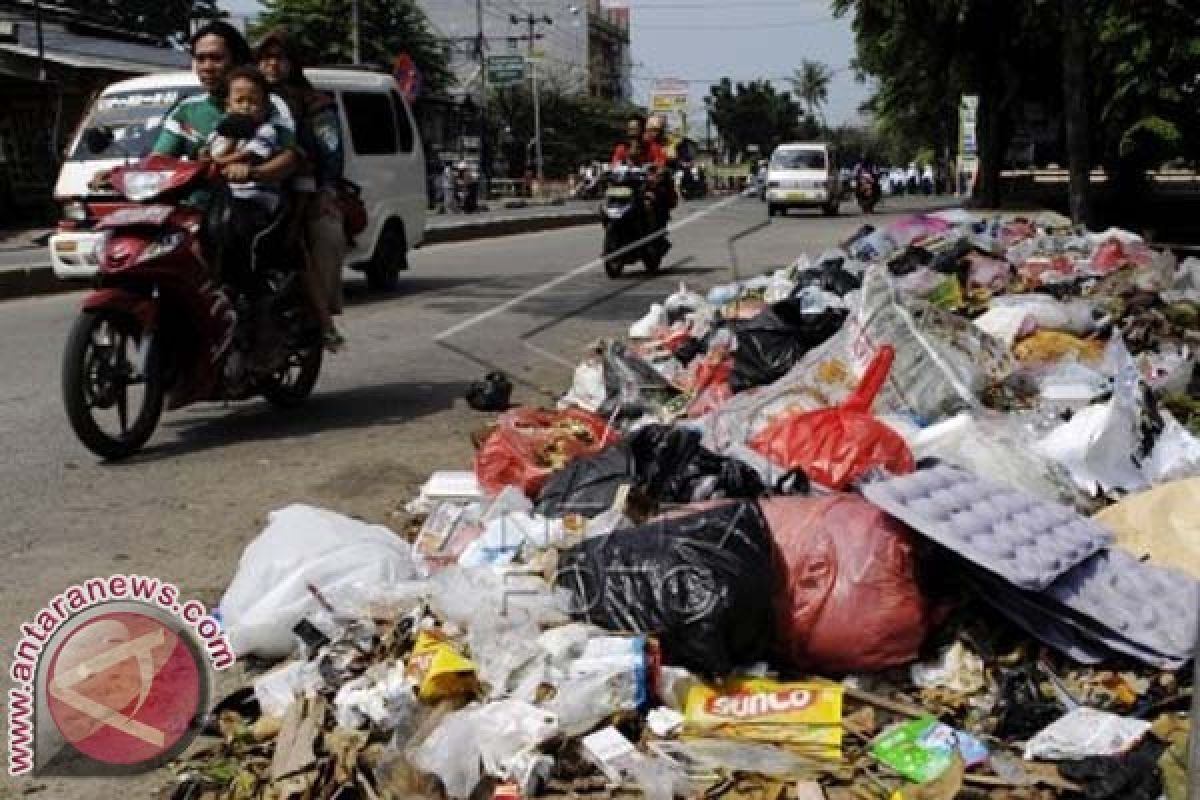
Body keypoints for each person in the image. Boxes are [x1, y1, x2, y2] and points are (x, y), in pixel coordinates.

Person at [256, 28, 346, 351]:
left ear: (293, 63)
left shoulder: (316, 104)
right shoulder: (248, 97)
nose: (272, 66)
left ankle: (320, 315)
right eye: (265, 59)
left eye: (279, 58)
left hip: (305, 190)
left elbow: (331, 150)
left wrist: (327, 189)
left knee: (327, 234)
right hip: (254, 189)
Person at [203, 66, 285, 290]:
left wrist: (224, 161)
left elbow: (245, 156)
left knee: (235, 227)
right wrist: (229, 135)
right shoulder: (218, 132)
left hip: (255, 200)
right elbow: (207, 155)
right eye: (239, 101)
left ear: (264, 105)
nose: (246, 107)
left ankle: (249, 281)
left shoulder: (266, 131)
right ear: (228, 104)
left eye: (253, 101)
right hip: (221, 198)